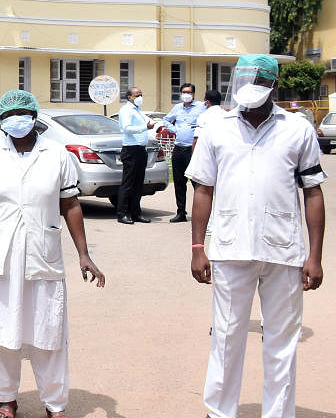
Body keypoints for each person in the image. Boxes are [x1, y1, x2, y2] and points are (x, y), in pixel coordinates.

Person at [0, 90, 105, 418]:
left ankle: (55, 404)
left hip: (42, 256)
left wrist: (84, 254)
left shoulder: (56, 154)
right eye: (10, 113)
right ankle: (5, 399)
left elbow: (71, 204)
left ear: (34, 116)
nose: (16, 118)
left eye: (22, 112)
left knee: (49, 331)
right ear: (1, 119)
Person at [186, 54, 326, 418]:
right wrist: (198, 246)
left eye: (259, 85)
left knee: (282, 342)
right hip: (231, 250)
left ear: (274, 86)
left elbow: (313, 192)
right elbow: (203, 189)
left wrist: (315, 256)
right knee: (227, 338)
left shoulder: (297, 129)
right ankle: (220, 412)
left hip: (284, 251)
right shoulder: (217, 128)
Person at [163, 82, 206, 223]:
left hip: (192, 149)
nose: (186, 95)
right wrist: (175, 130)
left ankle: (201, 213)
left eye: (189, 92)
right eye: (184, 92)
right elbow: (166, 120)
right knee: (179, 182)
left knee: (195, 181)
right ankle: (181, 212)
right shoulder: (177, 108)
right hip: (178, 148)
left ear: (193, 94)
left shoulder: (201, 107)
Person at [117, 86, 154, 224]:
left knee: (138, 183)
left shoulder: (138, 111)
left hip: (140, 150)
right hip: (130, 150)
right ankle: (122, 213)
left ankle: (136, 212)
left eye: (141, 94)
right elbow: (126, 128)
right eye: (136, 95)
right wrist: (145, 127)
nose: (139, 97)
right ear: (129, 97)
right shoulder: (126, 110)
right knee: (128, 183)